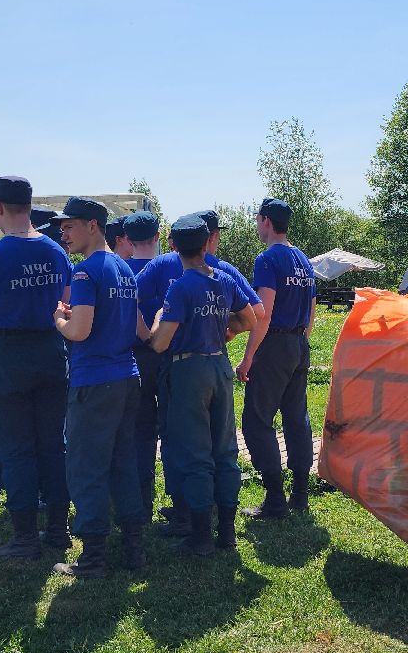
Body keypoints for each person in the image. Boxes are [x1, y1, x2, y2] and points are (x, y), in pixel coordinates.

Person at [0, 176, 73, 559]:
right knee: (53, 444)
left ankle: (25, 537)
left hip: (7, 355)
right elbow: (67, 304)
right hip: (51, 349)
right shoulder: (58, 253)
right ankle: (59, 529)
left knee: (16, 447)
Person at [147, 214, 257, 556]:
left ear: (174, 245)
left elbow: (160, 343)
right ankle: (226, 532)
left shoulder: (180, 286)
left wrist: (154, 322)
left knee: (195, 453)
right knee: (225, 451)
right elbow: (251, 318)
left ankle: (200, 537)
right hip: (219, 365)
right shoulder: (224, 280)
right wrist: (228, 329)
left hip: (189, 371)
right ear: (208, 242)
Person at [52, 196, 146, 577]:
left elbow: (80, 330)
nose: (63, 233)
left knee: (86, 467)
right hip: (127, 377)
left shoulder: (85, 273)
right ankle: (134, 548)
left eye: (69, 226)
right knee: (124, 462)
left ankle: (92, 556)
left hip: (95, 382)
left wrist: (59, 318)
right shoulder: (123, 269)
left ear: (93, 225)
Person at [237, 197, 317, 518]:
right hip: (299, 345)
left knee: (256, 420)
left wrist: (248, 357)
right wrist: (299, 344)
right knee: (297, 419)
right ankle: (300, 494)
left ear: (266, 221)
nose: (257, 225)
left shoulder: (268, 260)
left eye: (258, 220)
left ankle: (274, 499)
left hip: (276, 346)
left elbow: (264, 314)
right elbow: (311, 311)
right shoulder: (304, 260)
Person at [121, 211, 163, 519]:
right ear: (158, 236)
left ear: (127, 240)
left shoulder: (120, 271)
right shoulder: (174, 266)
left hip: (134, 357)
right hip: (171, 356)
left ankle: (141, 498)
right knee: (176, 428)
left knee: (140, 429)